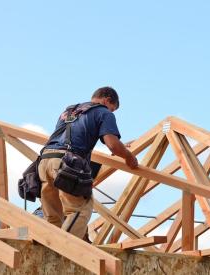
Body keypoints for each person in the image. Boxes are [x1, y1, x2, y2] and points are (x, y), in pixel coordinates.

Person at [38, 86, 138, 239]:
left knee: (54, 216)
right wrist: (129, 157)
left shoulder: (69, 111)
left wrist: (120, 147)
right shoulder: (103, 112)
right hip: (66, 163)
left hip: (45, 161)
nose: (111, 112)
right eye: (112, 109)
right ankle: (64, 252)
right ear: (107, 100)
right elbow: (112, 143)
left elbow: (74, 136)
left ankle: (51, 252)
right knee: (80, 210)